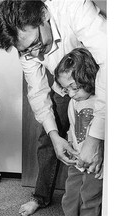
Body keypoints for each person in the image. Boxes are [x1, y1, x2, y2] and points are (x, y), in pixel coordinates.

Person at [0, 0, 106, 215]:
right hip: (62, 88)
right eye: (26, 51)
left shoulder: (74, 8)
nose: (35, 55)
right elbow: (36, 91)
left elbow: (112, 62)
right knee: (48, 140)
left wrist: (96, 137)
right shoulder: (26, 47)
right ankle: (41, 197)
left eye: (36, 44)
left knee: (102, 138)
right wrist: (55, 135)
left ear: (44, 14)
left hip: (97, 82)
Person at [54, 48, 103, 216]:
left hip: (95, 163)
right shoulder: (73, 102)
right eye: (66, 89)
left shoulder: (101, 102)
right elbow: (72, 126)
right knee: (70, 196)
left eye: (74, 88)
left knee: (90, 198)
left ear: (88, 78)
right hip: (77, 160)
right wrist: (69, 143)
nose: (71, 94)